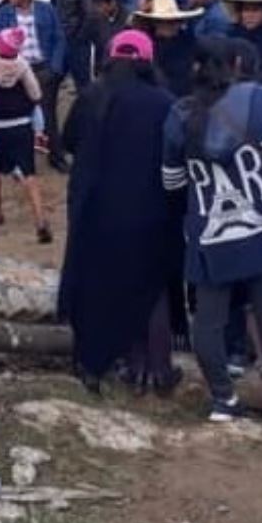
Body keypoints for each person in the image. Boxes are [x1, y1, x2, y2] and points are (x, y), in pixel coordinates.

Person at [161, 39, 262, 443]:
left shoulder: (179, 115)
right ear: (236, 64)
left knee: (209, 321)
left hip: (211, 234)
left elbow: (171, 182)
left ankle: (223, 399)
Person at [60, 29, 185, 393]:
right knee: (152, 287)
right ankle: (155, 368)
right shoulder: (164, 101)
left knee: (99, 285)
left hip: (96, 210)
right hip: (151, 209)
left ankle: (98, 364)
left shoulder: (92, 96)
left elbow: (67, 141)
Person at [0, 27, 52, 243]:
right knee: (29, 174)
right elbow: (35, 93)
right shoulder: (22, 65)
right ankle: (40, 218)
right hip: (22, 126)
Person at [0, 0, 69, 166]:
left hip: (43, 68)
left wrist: (55, 68)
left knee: (48, 114)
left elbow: (59, 38)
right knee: (18, 116)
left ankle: (56, 156)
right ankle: (21, 158)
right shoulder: (3, 13)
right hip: (17, 70)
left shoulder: (45, 9)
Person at [133, 0, 203, 96]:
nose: (173, 26)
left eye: (175, 21)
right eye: (167, 22)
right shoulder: (145, 43)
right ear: (155, 22)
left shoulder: (188, 41)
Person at [46, 0, 90, 90]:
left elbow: (87, 14)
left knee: (82, 82)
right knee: (53, 79)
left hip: (77, 41)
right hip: (60, 39)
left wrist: (78, 37)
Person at [71, 0, 127, 87]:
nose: (98, 9)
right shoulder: (93, 18)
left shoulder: (128, 19)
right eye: (97, 5)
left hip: (124, 71)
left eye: (101, 5)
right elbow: (82, 40)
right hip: (102, 71)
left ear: (113, 3)